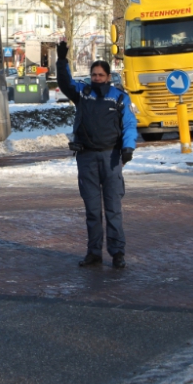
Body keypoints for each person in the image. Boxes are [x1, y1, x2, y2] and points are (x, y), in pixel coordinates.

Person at [56, 40, 137, 269]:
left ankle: (117, 253)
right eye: (94, 74)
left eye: (101, 75)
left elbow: (130, 124)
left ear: (108, 76)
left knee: (113, 209)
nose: (97, 78)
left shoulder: (119, 98)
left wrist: (128, 147)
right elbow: (65, 82)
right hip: (87, 158)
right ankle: (94, 253)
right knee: (92, 210)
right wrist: (62, 60)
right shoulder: (83, 93)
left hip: (111, 158)